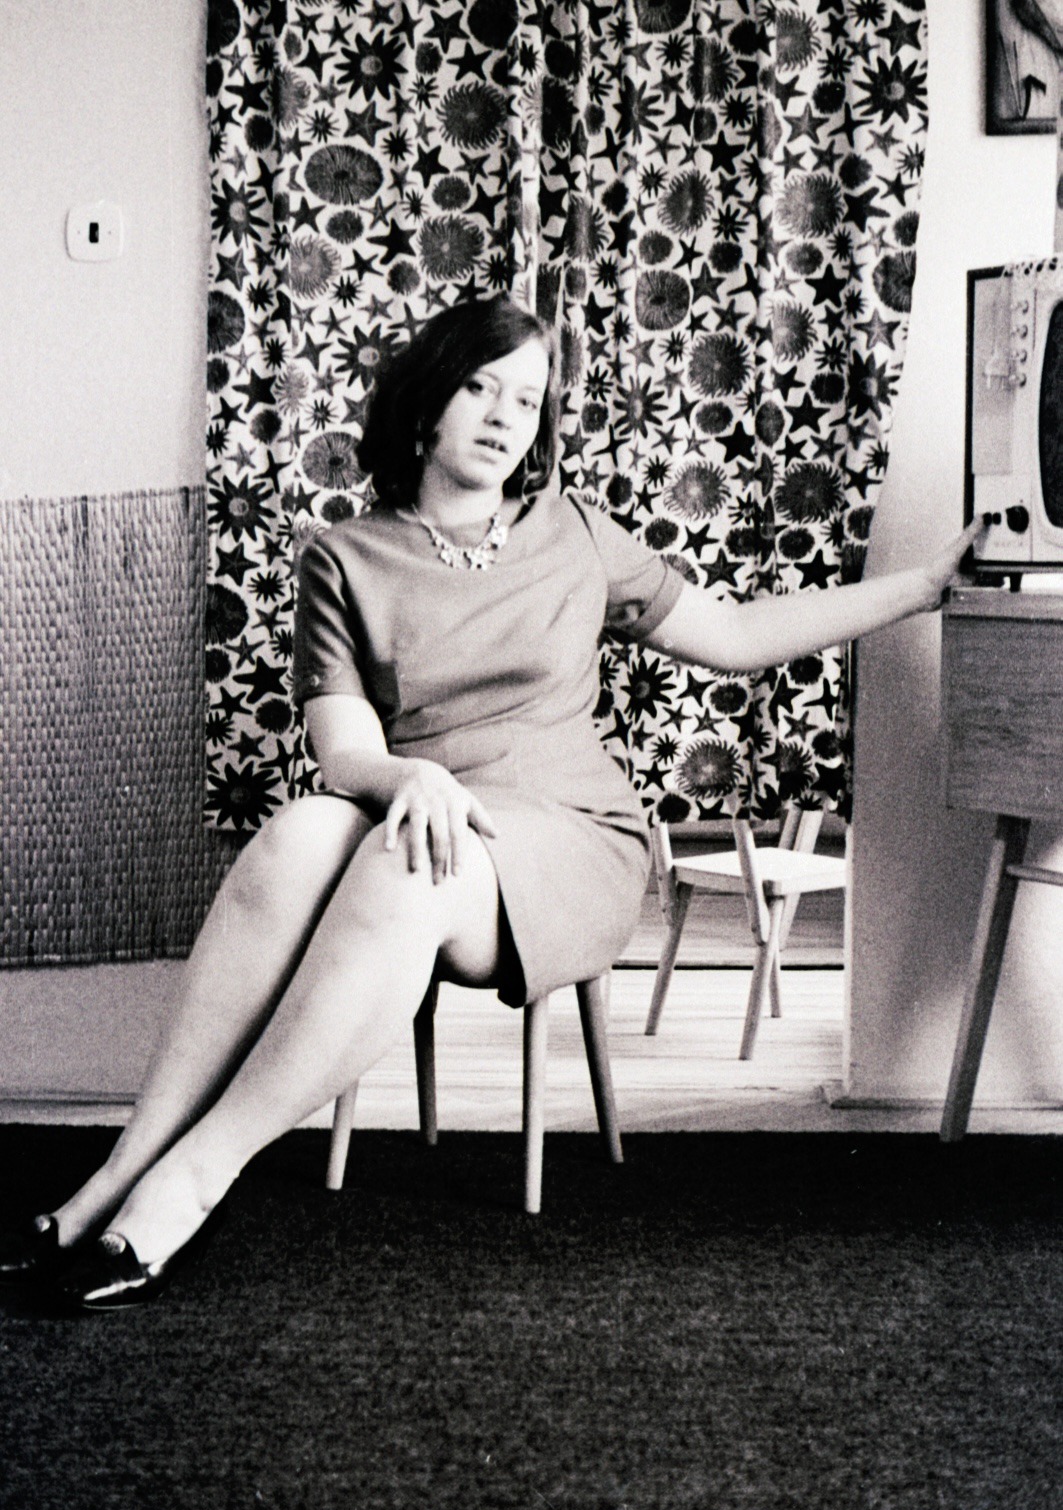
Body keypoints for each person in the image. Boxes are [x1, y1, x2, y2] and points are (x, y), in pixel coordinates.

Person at [0, 295, 978, 1310]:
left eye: (527, 396)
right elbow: (344, 749)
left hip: (567, 839)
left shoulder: (576, 535)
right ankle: (116, 1175)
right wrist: (409, 774)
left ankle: (195, 1178)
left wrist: (914, 589)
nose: (506, 413)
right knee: (300, 833)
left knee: (408, 860)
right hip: (420, 808)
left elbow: (736, 633)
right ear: (429, 402)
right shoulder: (344, 557)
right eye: (481, 386)